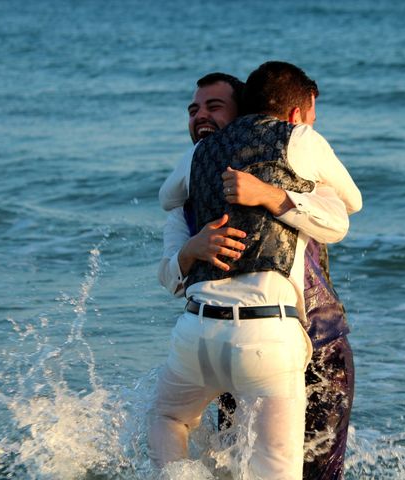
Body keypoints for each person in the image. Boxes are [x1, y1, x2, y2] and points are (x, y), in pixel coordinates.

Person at [150, 62, 361, 479]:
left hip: (315, 341)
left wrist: (271, 193)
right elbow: (171, 273)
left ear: (244, 114)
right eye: (193, 110)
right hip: (263, 340)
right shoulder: (188, 200)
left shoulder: (294, 164)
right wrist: (191, 250)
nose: (201, 117)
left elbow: (338, 216)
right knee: (247, 468)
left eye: (214, 107)